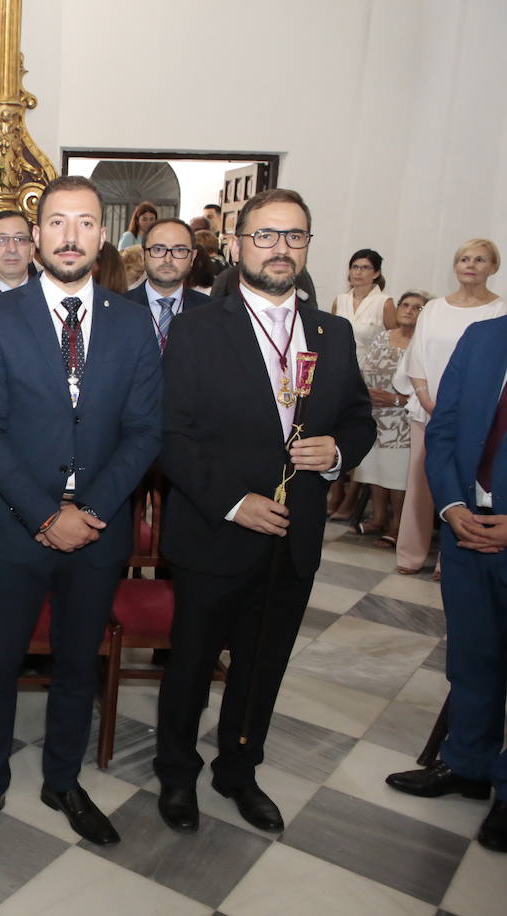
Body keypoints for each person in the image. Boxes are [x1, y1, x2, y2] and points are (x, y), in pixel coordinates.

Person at [153, 189, 374, 836]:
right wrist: (232, 501)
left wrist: (338, 452)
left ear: (307, 246)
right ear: (237, 245)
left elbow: (358, 417)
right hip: (214, 530)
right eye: (266, 235)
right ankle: (177, 772)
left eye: (294, 236)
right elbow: (171, 434)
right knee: (192, 665)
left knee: (262, 665)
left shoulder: (332, 333)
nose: (281, 248)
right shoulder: (197, 328)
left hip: (293, 535)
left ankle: (239, 770)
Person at [0, 175, 162, 849]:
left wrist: (91, 509)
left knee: (78, 667)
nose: (70, 236)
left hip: (98, 529)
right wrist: (47, 515)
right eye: (57, 223)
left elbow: (145, 430)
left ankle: (63, 780)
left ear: (103, 235)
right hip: (12, 526)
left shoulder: (132, 321)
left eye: (84, 223)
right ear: (36, 234)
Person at [384, 312, 507, 854]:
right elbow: (445, 427)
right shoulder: (484, 338)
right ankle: (467, 764)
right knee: (472, 658)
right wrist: (452, 506)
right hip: (465, 528)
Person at [396, 240, 505, 576]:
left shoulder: (499, 311)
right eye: (464, 259)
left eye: (480, 259)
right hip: (428, 409)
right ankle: (410, 554)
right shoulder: (433, 308)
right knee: (421, 486)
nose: (470, 265)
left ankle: (452, 557)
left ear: (493, 267)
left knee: (467, 485)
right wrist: (429, 401)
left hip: (478, 418)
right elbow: (417, 357)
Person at [350, 291, 425, 544]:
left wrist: (397, 400)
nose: (409, 310)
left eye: (417, 307)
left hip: (403, 417)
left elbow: (427, 384)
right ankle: (378, 517)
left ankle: (397, 525)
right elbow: (365, 368)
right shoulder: (382, 336)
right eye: (405, 305)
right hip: (375, 414)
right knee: (375, 469)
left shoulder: (422, 343)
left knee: (397, 475)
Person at [123, 218, 211, 350]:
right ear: (143, 255)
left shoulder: (211, 313)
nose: (168, 259)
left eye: (179, 250)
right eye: (158, 249)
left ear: (192, 257)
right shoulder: (118, 309)